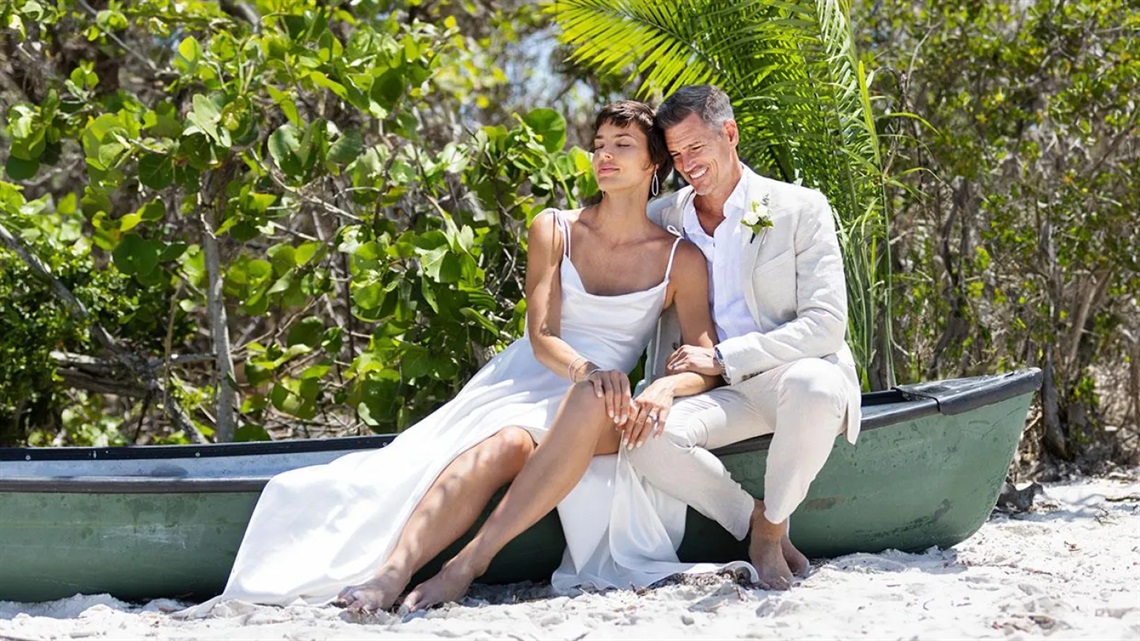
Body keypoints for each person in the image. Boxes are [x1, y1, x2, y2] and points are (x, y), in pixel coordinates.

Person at [185, 100, 721, 617]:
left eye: (622, 145)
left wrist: (666, 388)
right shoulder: (555, 228)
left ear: (654, 162)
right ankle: (392, 572)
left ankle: (466, 565)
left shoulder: (681, 259)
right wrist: (585, 369)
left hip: (598, 398)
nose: (604, 155)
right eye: (598, 144)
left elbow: (704, 357)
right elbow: (541, 335)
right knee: (503, 444)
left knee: (582, 403)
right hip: (538, 373)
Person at [626, 85, 863, 591]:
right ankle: (753, 519)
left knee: (816, 387)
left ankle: (774, 531)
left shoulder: (801, 208)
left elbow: (825, 324)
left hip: (792, 377)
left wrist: (723, 356)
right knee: (645, 435)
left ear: (729, 133)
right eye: (676, 155)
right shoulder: (662, 219)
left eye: (696, 148)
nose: (687, 164)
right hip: (718, 394)